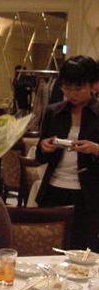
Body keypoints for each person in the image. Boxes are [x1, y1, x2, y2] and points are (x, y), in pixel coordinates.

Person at [35, 55, 99, 252]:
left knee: (83, 252)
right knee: (48, 250)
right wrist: (44, 147)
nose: (72, 94)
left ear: (93, 85)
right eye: (67, 88)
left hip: (88, 195)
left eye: (78, 88)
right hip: (54, 190)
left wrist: (95, 149)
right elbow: (39, 156)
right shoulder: (54, 112)